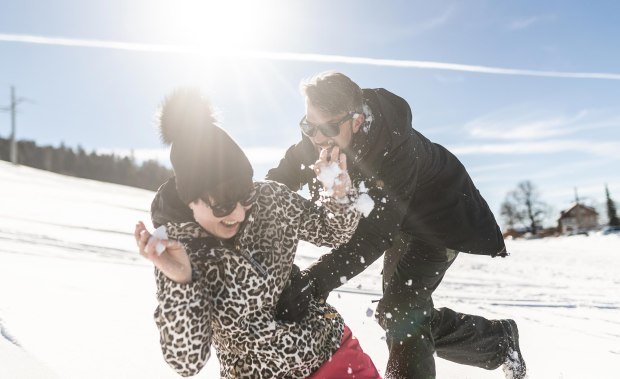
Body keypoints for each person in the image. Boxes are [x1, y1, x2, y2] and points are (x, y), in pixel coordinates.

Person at [267, 71, 526, 379]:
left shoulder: (396, 148)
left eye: (328, 128)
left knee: (401, 310)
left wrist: (316, 280)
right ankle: (499, 341)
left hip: (440, 220)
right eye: (308, 125)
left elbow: (375, 234)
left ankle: (496, 343)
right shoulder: (319, 135)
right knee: (401, 314)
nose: (317, 137)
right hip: (397, 221)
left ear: (357, 120)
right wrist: (248, 209)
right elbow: (280, 180)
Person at [134, 89, 381, 378]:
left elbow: (332, 233)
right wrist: (180, 282)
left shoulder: (269, 199)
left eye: (245, 194)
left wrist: (339, 194)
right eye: (224, 203)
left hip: (330, 351)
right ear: (191, 200)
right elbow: (186, 361)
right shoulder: (179, 250)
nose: (238, 213)